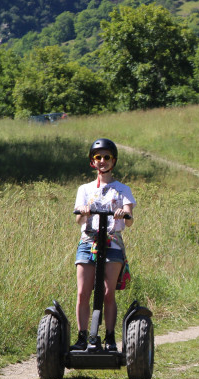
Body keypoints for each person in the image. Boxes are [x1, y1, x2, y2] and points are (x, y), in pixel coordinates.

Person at [71, 138, 136, 351]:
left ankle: (109, 337)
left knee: (108, 292)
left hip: (112, 241)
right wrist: (84, 212)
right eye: (97, 157)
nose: (102, 161)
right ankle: (82, 337)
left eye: (106, 157)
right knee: (83, 292)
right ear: (92, 161)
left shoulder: (122, 189)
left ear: (113, 160)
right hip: (88, 240)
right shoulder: (84, 189)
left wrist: (123, 213)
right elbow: (78, 220)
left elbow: (130, 219)